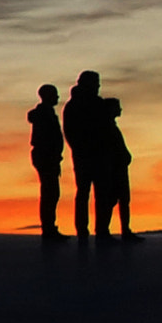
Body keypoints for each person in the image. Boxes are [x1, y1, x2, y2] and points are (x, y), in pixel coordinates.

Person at [63, 71, 114, 241]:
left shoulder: (96, 104)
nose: (98, 86)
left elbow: (108, 129)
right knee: (85, 193)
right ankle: (85, 231)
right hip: (86, 156)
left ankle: (101, 230)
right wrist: (83, 149)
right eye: (96, 83)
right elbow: (71, 133)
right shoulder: (75, 105)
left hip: (98, 156)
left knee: (101, 194)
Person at [28, 84, 66, 242]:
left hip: (48, 157)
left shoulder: (47, 113)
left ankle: (50, 227)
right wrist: (52, 155)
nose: (57, 98)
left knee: (51, 193)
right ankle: (49, 229)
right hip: (46, 157)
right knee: (50, 193)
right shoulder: (44, 114)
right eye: (55, 95)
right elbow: (46, 138)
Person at [104, 98, 140, 242]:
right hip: (115, 169)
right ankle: (112, 231)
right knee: (114, 199)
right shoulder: (107, 127)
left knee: (122, 199)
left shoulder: (111, 126)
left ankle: (125, 230)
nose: (120, 110)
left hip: (119, 167)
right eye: (117, 107)